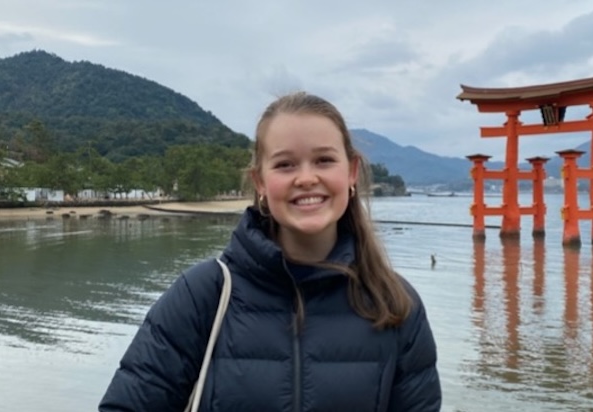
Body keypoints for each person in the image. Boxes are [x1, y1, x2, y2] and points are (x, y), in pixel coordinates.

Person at [99, 91, 441, 411]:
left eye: (324, 160)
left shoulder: (394, 305)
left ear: (351, 172)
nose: (306, 178)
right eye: (285, 165)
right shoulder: (204, 296)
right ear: (260, 181)